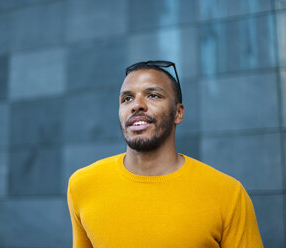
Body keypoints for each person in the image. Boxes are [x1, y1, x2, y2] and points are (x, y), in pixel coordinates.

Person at [67, 60, 264, 248]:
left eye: (153, 95)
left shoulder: (228, 194)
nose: (136, 105)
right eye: (127, 98)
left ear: (178, 113)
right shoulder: (82, 185)